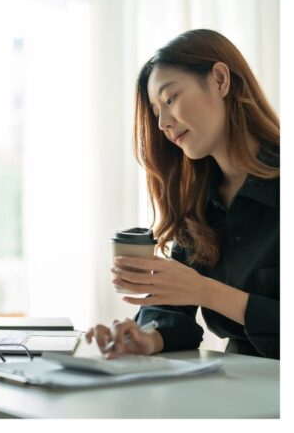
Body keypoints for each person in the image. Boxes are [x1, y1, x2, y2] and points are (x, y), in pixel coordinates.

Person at [86, 29, 279, 360]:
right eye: (156, 110)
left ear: (219, 80)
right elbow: (174, 310)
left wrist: (206, 291)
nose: (161, 123)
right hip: (243, 384)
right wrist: (146, 337)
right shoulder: (201, 204)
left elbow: (197, 289)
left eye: (170, 98)